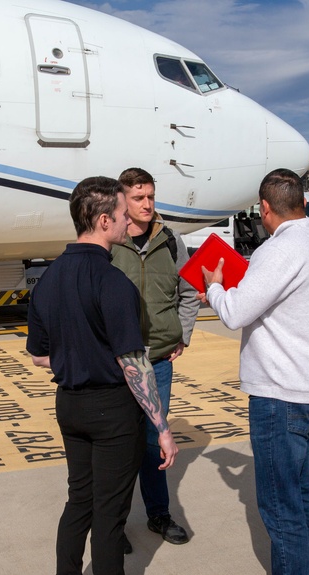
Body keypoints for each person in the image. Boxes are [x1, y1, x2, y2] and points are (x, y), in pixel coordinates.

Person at [26, 176, 178, 575]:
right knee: (109, 516)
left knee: (78, 504)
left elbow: (38, 355)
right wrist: (162, 427)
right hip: (112, 411)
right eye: (123, 212)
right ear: (104, 219)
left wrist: (79, 356)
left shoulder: (48, 279)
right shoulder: (112, 282)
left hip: (68, 405)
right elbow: (135, 365)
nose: (131, 219)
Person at [200, 168, 309, 575]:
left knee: (279, 499)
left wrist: (215, 285)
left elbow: (236, 312)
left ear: (264, 209)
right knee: (301, 488)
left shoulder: (281, 249)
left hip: (281, 391)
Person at [111, 167, 200, 547]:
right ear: (122, 201)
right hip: (116, 363)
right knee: (117, 444)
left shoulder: (171, 242)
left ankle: (159, 515)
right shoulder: (109, 242)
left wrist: (182, 334)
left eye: (150, 196)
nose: (147, 204)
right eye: (138, 197)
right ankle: (113, 526)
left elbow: (190, 291)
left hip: (159, 361)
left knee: (153, 440)